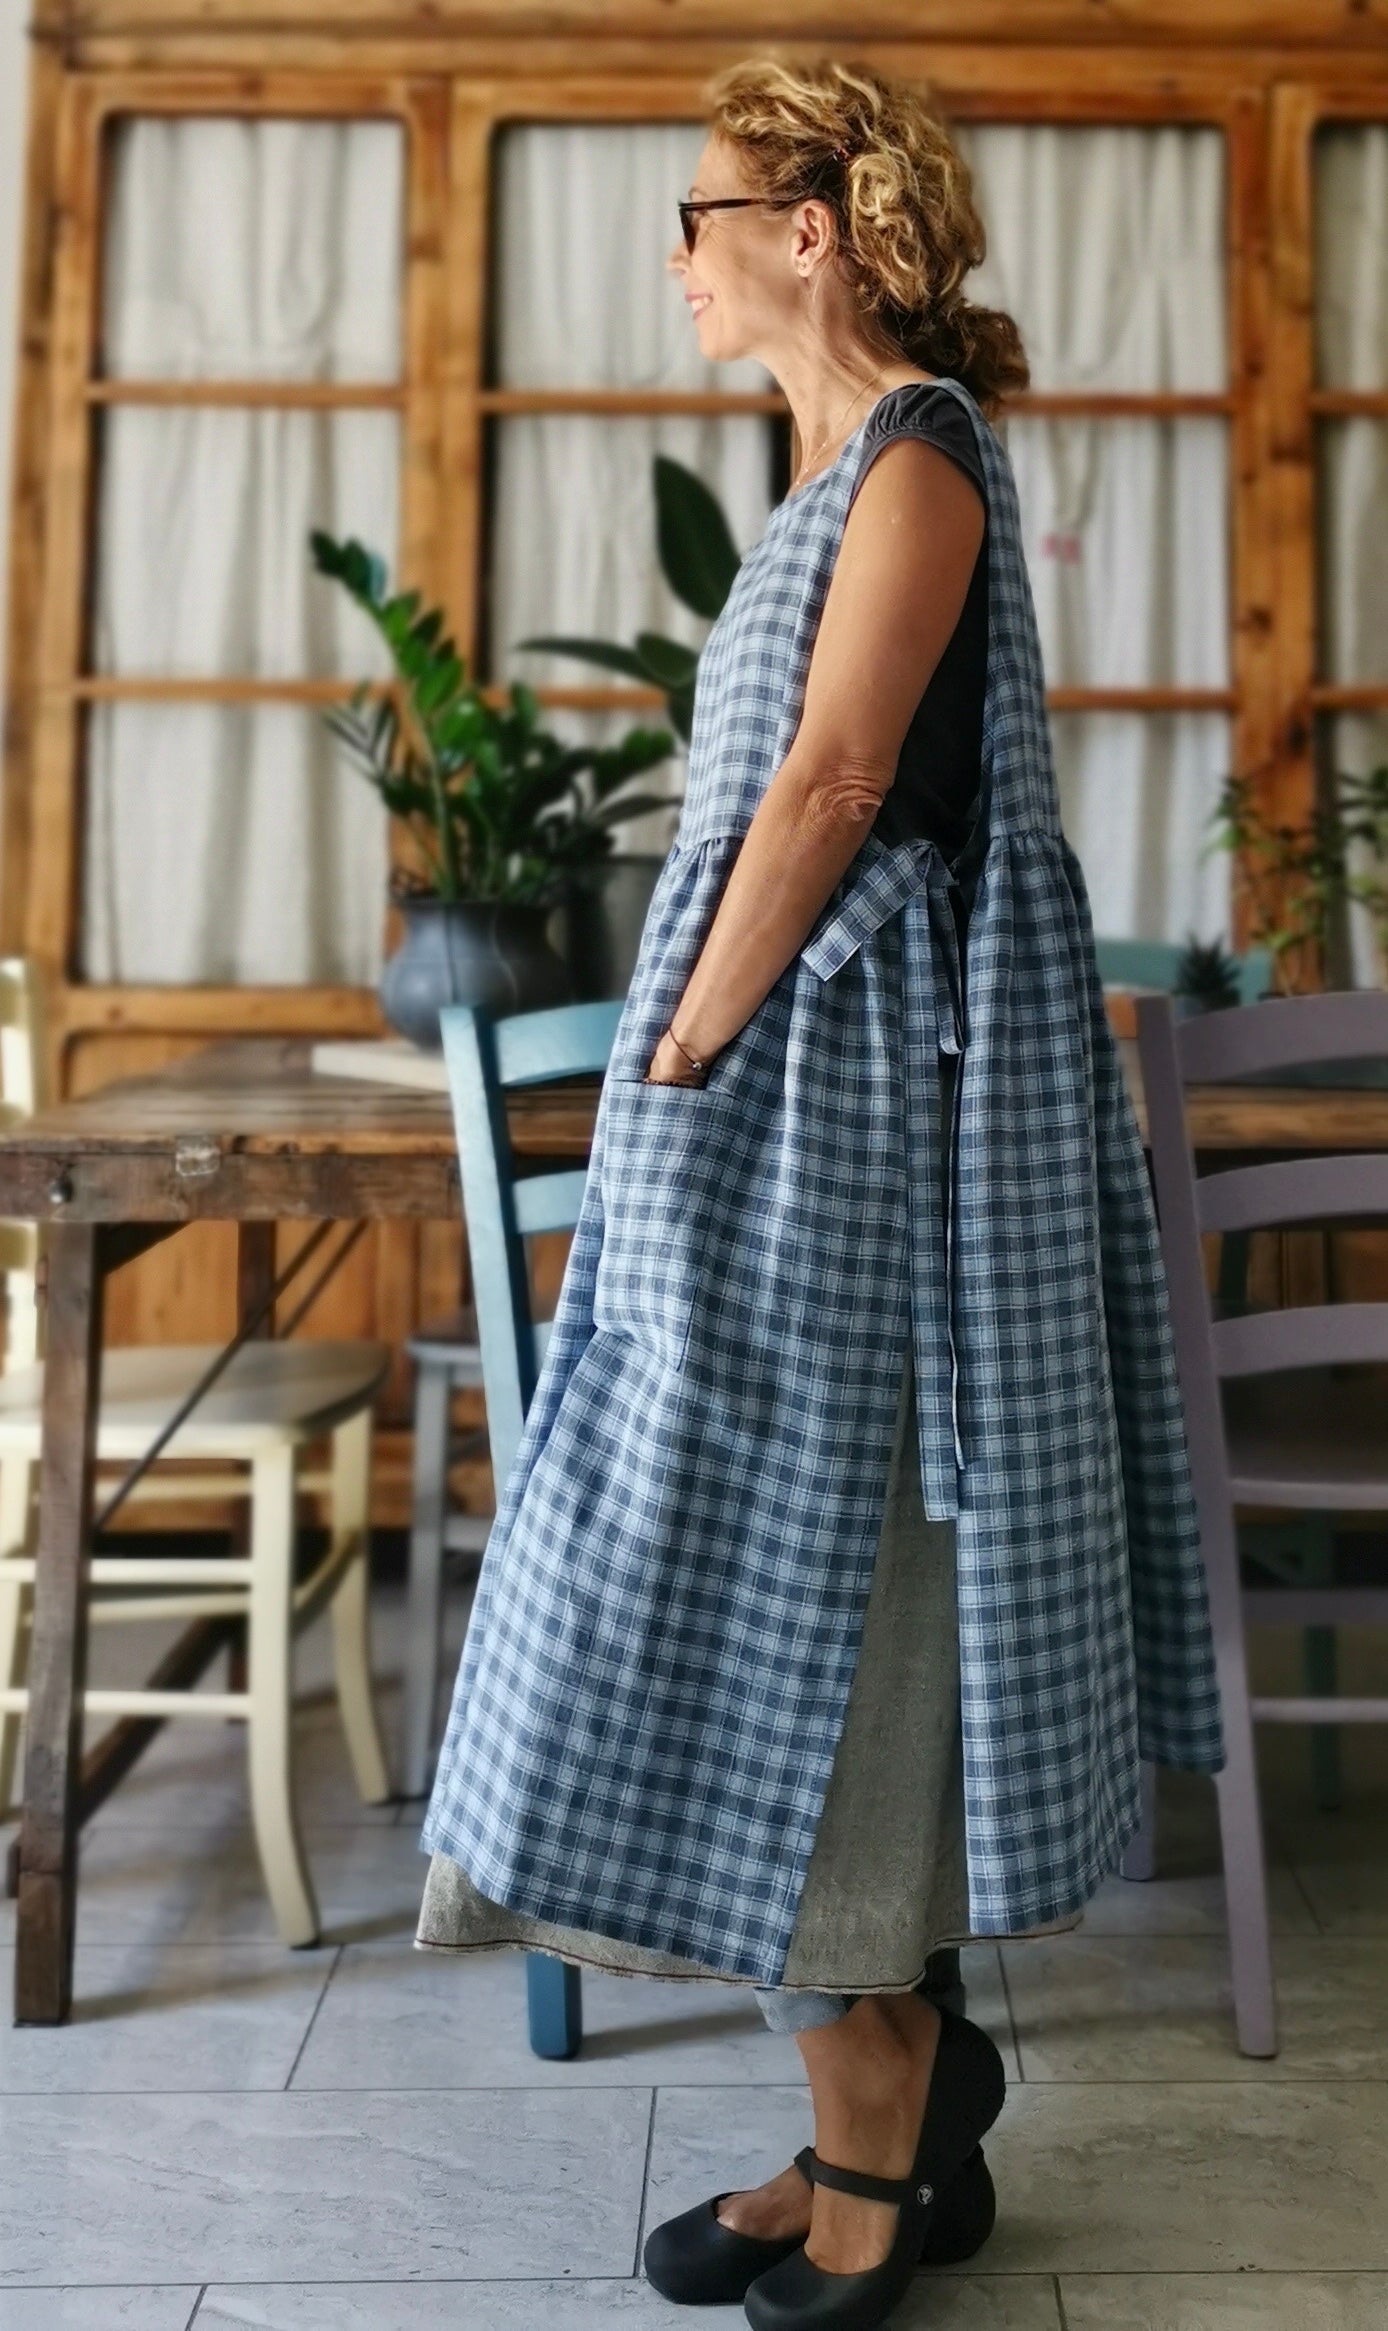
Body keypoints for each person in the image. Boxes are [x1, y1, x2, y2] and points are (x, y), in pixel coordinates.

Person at [416, 54, 1226, 2331]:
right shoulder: (821, 479)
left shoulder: (920, 460)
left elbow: (840, 783)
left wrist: (674, 1045)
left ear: (816, 226)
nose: (670, 253)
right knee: (714, 1556)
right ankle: (879, 2072)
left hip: (844, 1118)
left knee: (812, 1561)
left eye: (700, 210)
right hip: (782, 1104)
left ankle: (884, 2094)